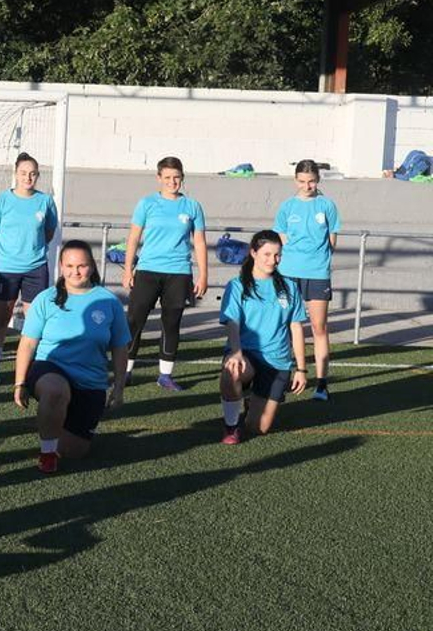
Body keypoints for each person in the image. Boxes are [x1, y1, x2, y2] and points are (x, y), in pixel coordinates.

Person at [11, 240, 129, 473]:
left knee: (74, 452)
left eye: (82, 266)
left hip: (90, 381)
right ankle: (47, 454)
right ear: (61, 267)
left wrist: (119, 387)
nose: (75, 271)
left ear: (92, 267)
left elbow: (120, 348)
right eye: (70, 266)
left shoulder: (108, 302)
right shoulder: (46, 299)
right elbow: (27, 344)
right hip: (50, 369)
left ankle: (56, 419)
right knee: (55, 392)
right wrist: (20, 383)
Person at [121, 156, 207, 391]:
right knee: (134, 321)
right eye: (167, 177)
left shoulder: (192, 206)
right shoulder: (146, 204)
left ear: (183, 178)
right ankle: (124, 371)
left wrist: (203, 275)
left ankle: (165, 375)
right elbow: (134, 238)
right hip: (148, 270)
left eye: (176, 177)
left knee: (171, 323)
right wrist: (128, 269)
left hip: (178, 273)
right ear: (159, 178)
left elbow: (199, 242)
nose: (172, 182)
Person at [218, 230, 308, 444]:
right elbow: (232, 322)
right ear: (253, 253)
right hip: (246, 353)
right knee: (232, 371)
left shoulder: (289, 287)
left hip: (277, 360)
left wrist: (301, 369)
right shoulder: (237, 285)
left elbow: (296, 328)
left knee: (258, 428)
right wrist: (236, 352)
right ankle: (231, 427)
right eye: (267, 254)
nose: (273, 260)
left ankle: (251, 398)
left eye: (277, 255)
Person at [0, 153, 59, 384]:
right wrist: (9, 253)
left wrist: (31, 252)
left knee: (35, 320)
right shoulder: (2, 201)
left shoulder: (45, 202)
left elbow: (48, 232)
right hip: (5, 269)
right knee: (1, 318)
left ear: (38, 176)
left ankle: (31, 368)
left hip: (35, 269)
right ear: (16, 174)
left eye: (33, 173)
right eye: (24, 173)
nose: (28, 177)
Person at [274, 160, 340, 400]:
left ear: (318, 180)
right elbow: (280, 237)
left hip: (317, 274)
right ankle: (284, 375)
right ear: (295, 181)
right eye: (302, 181)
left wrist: (317, 260)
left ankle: (321, 383)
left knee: (318, 327)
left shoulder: (327, 206)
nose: (307, 185)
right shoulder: (287, 207)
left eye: (311, 181)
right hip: (288, 273)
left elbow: (332, 242)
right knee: (287, 326)